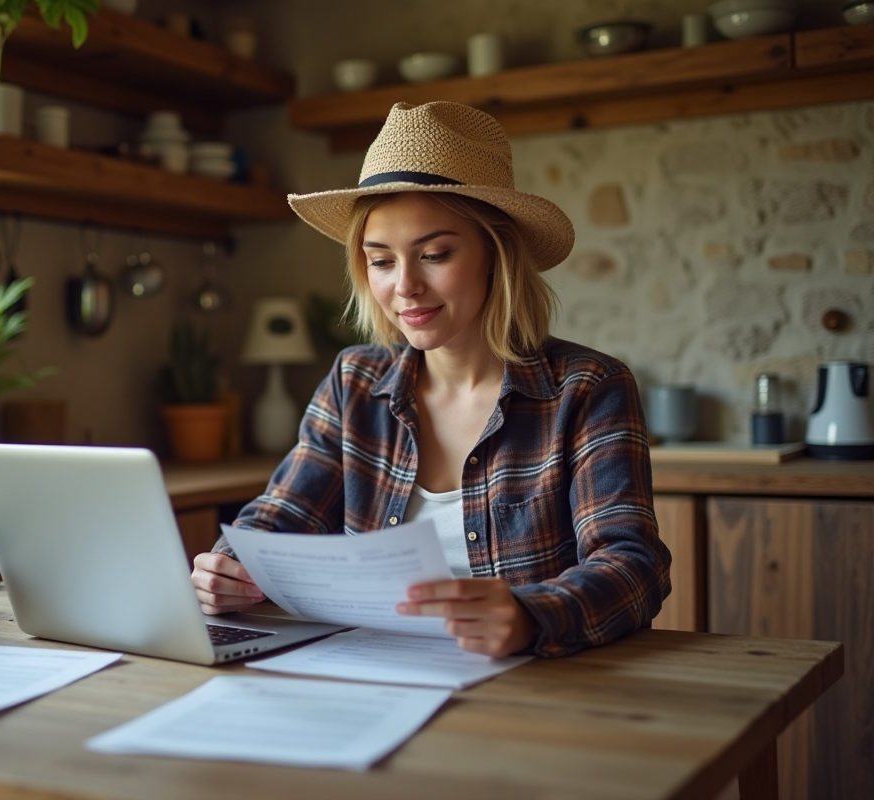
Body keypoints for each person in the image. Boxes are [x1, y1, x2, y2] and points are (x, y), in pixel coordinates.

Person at [191, 101, 671, 658]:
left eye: (435, 254)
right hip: (372, 675)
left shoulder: (587, 388)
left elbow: (632, 567)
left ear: (497, 254)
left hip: (535, 691)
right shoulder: (355, 381)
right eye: (381, 261)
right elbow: (281, 516)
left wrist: (529, 616)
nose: (405, 287)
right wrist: (231, 562)